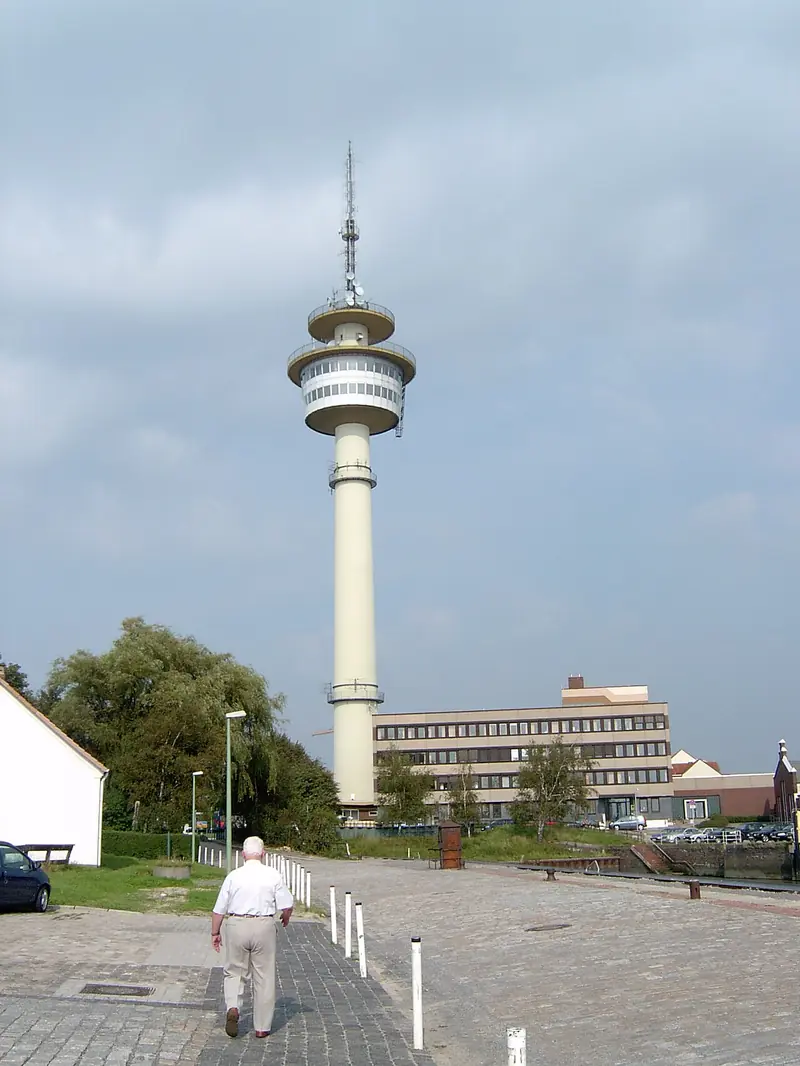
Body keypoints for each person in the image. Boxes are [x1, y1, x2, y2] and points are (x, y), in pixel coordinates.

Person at [211, 836, 293, 1038]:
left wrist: (215, 932)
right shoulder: (272, 875)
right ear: (263, 854)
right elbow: (287, 904)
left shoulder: (233, 876)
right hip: (263, 924)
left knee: (234, 971)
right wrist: (285, 916)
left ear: (243, 854)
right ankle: (262, 1027)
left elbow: (219, 910)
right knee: (264, 976)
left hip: (237, 924)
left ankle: (233, 1006)